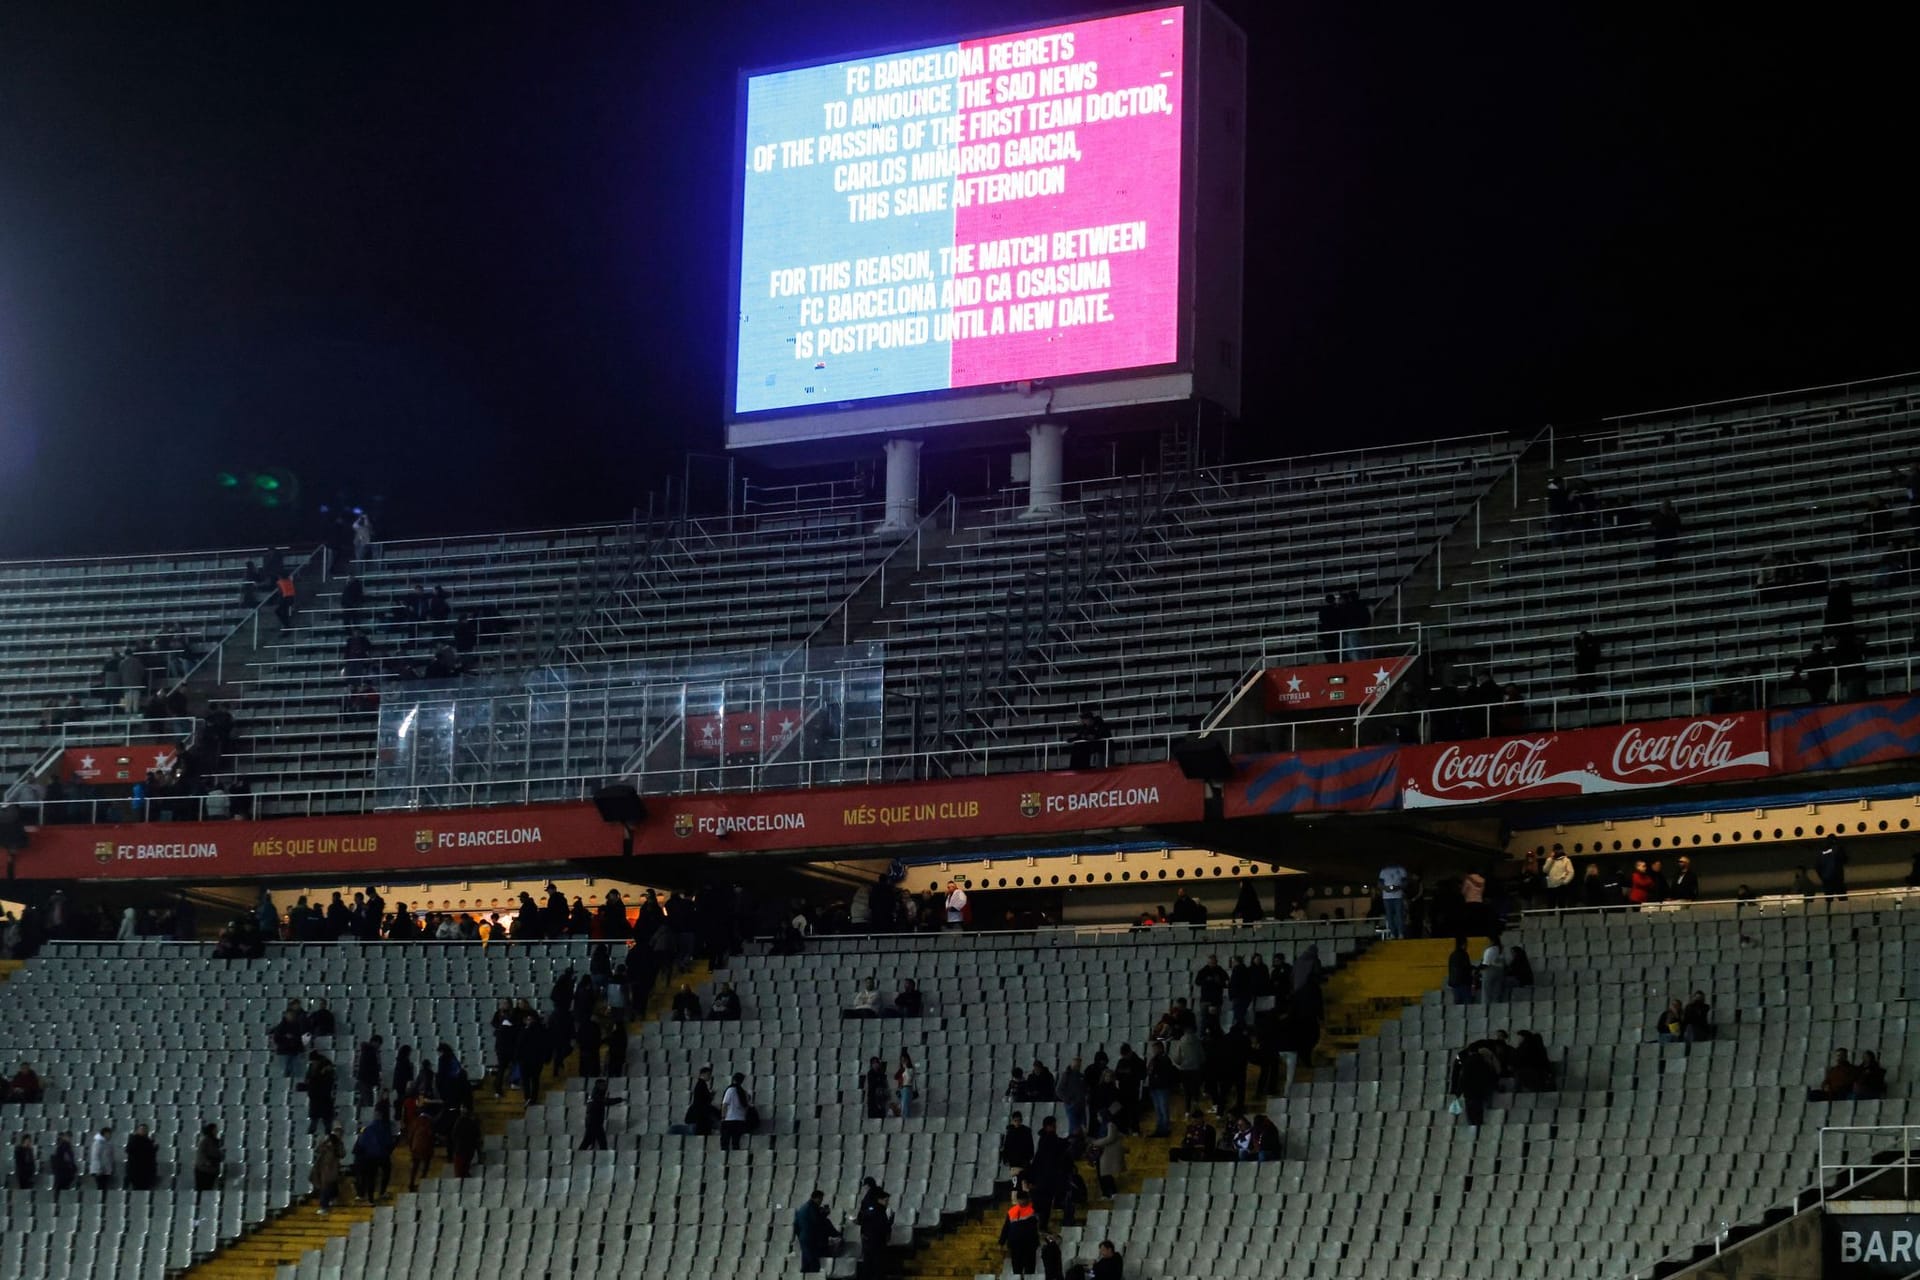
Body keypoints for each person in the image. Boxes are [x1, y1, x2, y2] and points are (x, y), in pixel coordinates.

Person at [794, 1187, 841, 1273]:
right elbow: (819, 1223)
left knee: (806, 1264)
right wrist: (825, 1215)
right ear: (817, 1198)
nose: (821, 1202)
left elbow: (796, 1224)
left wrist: (800, 1236)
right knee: (814, 1264)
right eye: (821, 1199)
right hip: (811, 1239)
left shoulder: (802, 1208)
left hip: (804, 1238)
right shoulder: (813, 1208)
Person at [856, 1186, 893, 1280]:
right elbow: (882, 1227)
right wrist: (889, 1224)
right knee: (877, 1267)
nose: (887, 1203)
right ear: (880, 1199)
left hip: (868, 1241)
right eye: (886, 1200)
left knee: (868, 1266)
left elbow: (862, 1223)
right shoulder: (880, 1211)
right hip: (877, 1243)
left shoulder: (869, 1209)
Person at [1001, 1190, 1042, 1276]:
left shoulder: (1033, 1210)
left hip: (1029, 1245)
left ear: (1027, 1199)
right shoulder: (1012, 1211)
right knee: (1017, 1270)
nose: (1022, 1201)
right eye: (1021, 1199)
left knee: (1029, 1270)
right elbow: (1006, 1227)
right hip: (1016, 1245)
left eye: (1023, 1199)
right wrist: (1002, 1242)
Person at [580, 1078, 623, 1151]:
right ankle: (603, 1157)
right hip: (595, 1122)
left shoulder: (593, 1095)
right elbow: (606, 1101)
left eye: (605, 1085)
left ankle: (579, 1156)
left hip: (591, 1122)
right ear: (598, 1086)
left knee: (587, 1141)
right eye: (603, 1085)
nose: (605, 1087)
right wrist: (620, 1099)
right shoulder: (596, 1096)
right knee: (601, 1142)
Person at [310, 1128, 343, 1214]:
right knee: (328, 1187)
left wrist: (336, 1143)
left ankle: (324, 1206)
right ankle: (330, 1201)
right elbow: (318, 1150)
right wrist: (325, 1142)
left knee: (327, 1187)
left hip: (332, 1169)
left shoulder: (338, 1145)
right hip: (323, 1169)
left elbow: (342, 1154)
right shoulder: (326, 1144)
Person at [1087, 1124, 1126, 1198]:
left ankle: (1112, 1192)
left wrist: (1095, 1143)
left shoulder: (1109, 1126)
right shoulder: (1100, 1127)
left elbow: (1110, 1139)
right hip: (1100, 1154)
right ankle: (1106, 1193)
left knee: (1106, 1174)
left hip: (1105, 1154)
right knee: (1101, 1175)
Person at [404, 1104, 435, 1190]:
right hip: (426, 1148)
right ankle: (423, 1182)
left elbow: (410, 1136)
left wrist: (411, 1147)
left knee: (415, 1167)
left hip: (415, 1147)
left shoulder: (415, 1121)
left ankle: (411, 1183)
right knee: (425, 1166)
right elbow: (431, 1135)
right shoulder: (429, 1122)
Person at [719, 1073, 752, 1151]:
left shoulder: (730, 1090)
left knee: (725, 1143)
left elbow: (725, 1105)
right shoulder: (744, 1092)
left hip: (730, 1119)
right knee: (736, 1143)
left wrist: (723, 1117)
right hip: (740, 1120)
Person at [449, 1106, 481, 1178]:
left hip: (461, 1151)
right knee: (463, 1173)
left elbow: (454, 1136)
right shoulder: (472, 1123)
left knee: (459, 1174)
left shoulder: (460, 1122)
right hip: (467, 1151)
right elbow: (477, 1138)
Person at [1379, 863, 1410, 939]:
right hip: (1386, 897)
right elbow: (1379, 883)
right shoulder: (1383, 871)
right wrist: (1386, 888)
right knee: (1389, 916)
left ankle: (1400, 933)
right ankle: (1392, 933)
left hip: (1398, 896)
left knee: (1399, 915)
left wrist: (1398, 887)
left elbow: (1405, 882)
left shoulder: (1401, 870)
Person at [125, 1123, 158, 1191]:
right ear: (137, 1130)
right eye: (141, 1129)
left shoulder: (149, 1141)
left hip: (146, 1172)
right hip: (136, 1171)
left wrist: (154, 1148)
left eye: (145, 1130)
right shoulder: (133, 1140)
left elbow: (151, 1156)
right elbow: (130, 1151)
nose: (143, 1131)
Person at [1479, 934, 1509, 1004]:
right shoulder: (1501, 949)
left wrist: (1478, 970)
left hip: (1489, 971)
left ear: (1491, 941)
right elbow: (1505, 962)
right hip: (1500, 972)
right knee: (1496, 993)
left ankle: (1486, 1010)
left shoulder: (1489, 950)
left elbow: (1485, 964)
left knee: (1486, 993)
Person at [1447, 937, 1474, 1005]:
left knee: (1457, 1006)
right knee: (1468, 1006)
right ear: (1463, 944)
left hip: (1454, 984)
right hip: (1464, 983)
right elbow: (1467, 968)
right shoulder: (1464, 954)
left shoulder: (1452, 955)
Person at [87, 1126, 115, 1191]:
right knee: (101, 1188)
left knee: (104, 1188)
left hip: (106, 1170)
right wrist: (99, 1169)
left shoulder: (108, 1144)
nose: (110, 1136)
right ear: (105, 1134)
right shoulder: (98, 1143)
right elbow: (95, 1157)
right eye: (109, 1134)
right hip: (100, 1170)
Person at [894, 1050, 916, 1119]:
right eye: (902, 1060)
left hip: (907, 1088)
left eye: (904, 1060)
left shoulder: (910, 1069)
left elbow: (909, 1078)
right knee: (903, 1108)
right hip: (902, 1089)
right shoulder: (901, 1069)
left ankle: (906, 1122)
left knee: (905, 1108)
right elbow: (896, 1077)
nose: (903, 1061)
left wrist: (905, 1067)